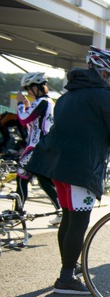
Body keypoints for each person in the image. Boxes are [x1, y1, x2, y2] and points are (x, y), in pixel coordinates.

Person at [26, 46, 110, 295]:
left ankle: (68, 269)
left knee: (70, 218)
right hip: (80, 167)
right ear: (105, 73)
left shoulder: (67, 95)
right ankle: (66, 278)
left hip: (56, 166)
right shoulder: (103, 95)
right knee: (79, 221)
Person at [14, 72, 62, 224]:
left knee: (21, 176)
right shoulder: (49, 102)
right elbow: (35, 124)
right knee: (43, 180)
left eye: (29, 88)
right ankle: (61, 210)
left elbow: (23, 119)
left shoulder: (41, 102)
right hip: (45, 147)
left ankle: (18, 212)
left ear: (36, 87)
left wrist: (21, 103)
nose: (28, 92)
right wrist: (28, 106)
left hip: (36, 148)